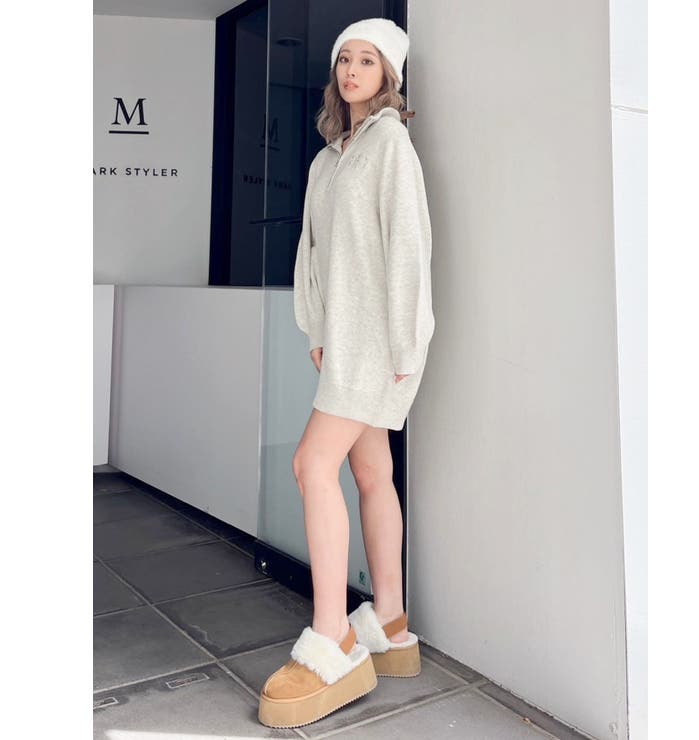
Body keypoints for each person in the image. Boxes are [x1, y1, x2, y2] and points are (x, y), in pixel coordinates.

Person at [258, 17, 435, 729]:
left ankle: (332, 637)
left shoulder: (391, 145)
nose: (353, 70)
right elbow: (312, 251)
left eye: (368, 60)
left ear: (389, 75)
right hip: (343, 344)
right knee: (370, 471)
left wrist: (403, 349)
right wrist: (317, 329)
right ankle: (389, 621)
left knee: (310, 464)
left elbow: (409, 250)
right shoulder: (328, 159)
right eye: (344, 60)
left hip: (377, 346)